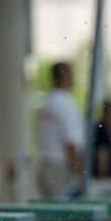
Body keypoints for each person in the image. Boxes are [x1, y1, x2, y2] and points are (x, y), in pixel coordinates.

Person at [37, 61, 84, 197]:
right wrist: (79, 172)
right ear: (65, 76)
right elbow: (70, 143)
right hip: (60, 168)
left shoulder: (47, 102)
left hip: (46, 166)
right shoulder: (65, 103)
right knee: (64, 209)